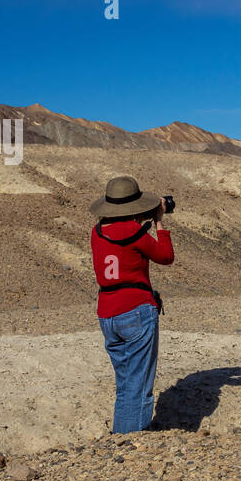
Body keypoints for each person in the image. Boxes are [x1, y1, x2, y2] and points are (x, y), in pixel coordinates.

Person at [90, 176, 174, 433]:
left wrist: (141, 220)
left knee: (126, 383)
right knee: (140, 385)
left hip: (107, 314)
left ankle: (120, 437)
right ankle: (133, 443)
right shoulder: (135, 233)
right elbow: (166, 257)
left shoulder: (98, 232)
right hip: (136, 311)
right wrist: (159, 221)